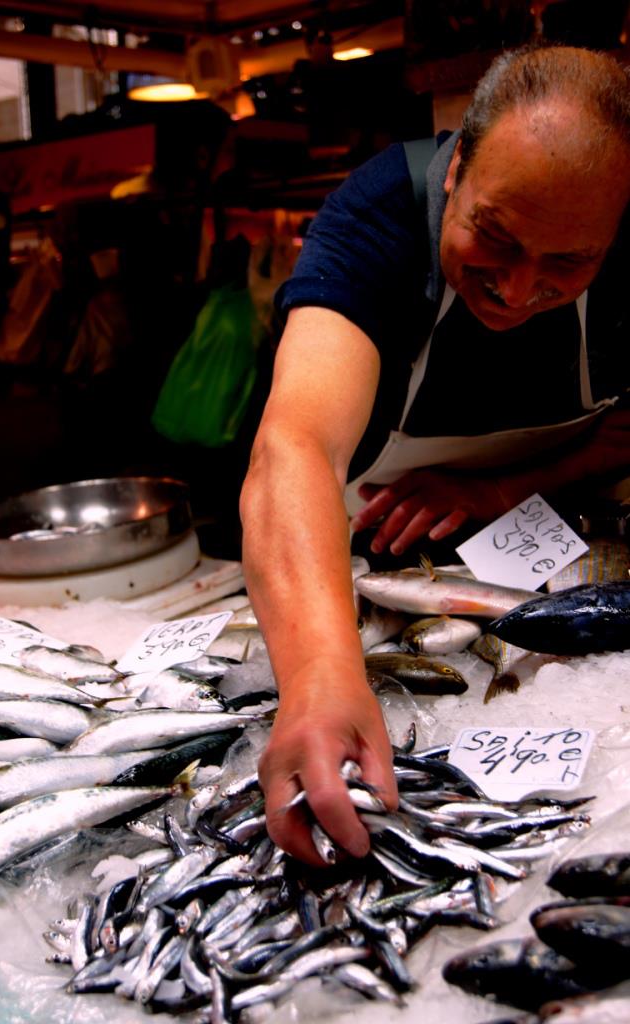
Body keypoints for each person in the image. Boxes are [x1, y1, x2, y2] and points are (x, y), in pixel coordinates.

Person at [239, 44, 630, 865]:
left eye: (569, 262)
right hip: (375, 557)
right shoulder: (380, 213)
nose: (521, 290)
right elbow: (296, 443)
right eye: (495, 238)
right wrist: (317, 674)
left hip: (572, 542)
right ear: (454, 174)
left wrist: (506, 489)